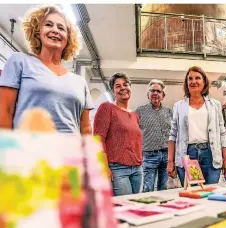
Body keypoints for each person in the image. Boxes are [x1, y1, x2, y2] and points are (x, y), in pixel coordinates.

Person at [0, 5, 93, 134]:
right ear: (38, 31)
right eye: (48, 25)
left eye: (61, 28)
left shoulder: (80, 82)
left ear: (68, 38)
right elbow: (5, 110)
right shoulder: (20, 62)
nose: (55, 30)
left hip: (70, 152)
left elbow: (86, 127)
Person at [167, 66, 226, 186]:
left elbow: (223, 132)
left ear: (204, 82)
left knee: (211, 194)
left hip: (210, 155)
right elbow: (173, 134)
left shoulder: (215, 105)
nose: (193, 81)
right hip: (187, 155)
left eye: (197, 78)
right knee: (192, 195)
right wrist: (170, 161)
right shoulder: (178, 106)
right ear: (186, 83)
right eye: (190, 79)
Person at [94, 72, 142, 196]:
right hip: (117, 169)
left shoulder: (135, 115)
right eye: (118, 86)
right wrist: (104, 167)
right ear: (112, 91)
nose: (122, 88)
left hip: (137, 169)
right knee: (124, 207)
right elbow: (98, 139)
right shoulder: (107, 108)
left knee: (135, 206)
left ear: (130, 88)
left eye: (125, 85)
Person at [135, 79, 172, 192]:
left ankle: (162, 208)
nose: (155, 93)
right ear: (148, 94)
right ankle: (147, 209)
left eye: (158, 91)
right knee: (148, 188)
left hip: (166, 155)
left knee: (163, 188)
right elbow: (135, 134)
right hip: (148, 156)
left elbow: (173, 134)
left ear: (163, 95)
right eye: (152, 91)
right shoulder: (140, 111)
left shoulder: (169, 111)